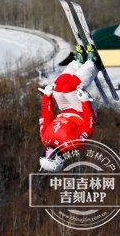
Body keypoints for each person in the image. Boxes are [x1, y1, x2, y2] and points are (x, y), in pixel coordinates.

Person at [38, 44, 100, 172]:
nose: (48, 151)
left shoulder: (45, 138)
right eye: (50, 156)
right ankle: (92, 64)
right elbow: (90, 125)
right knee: (68, 89)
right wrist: (85, 102)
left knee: (58, 89)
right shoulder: (72, 144)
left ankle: (78, 63)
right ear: (58, 158)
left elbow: (46, 116)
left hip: (66, 109)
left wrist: (47, 96)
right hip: (82, 111)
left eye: (45, 154)